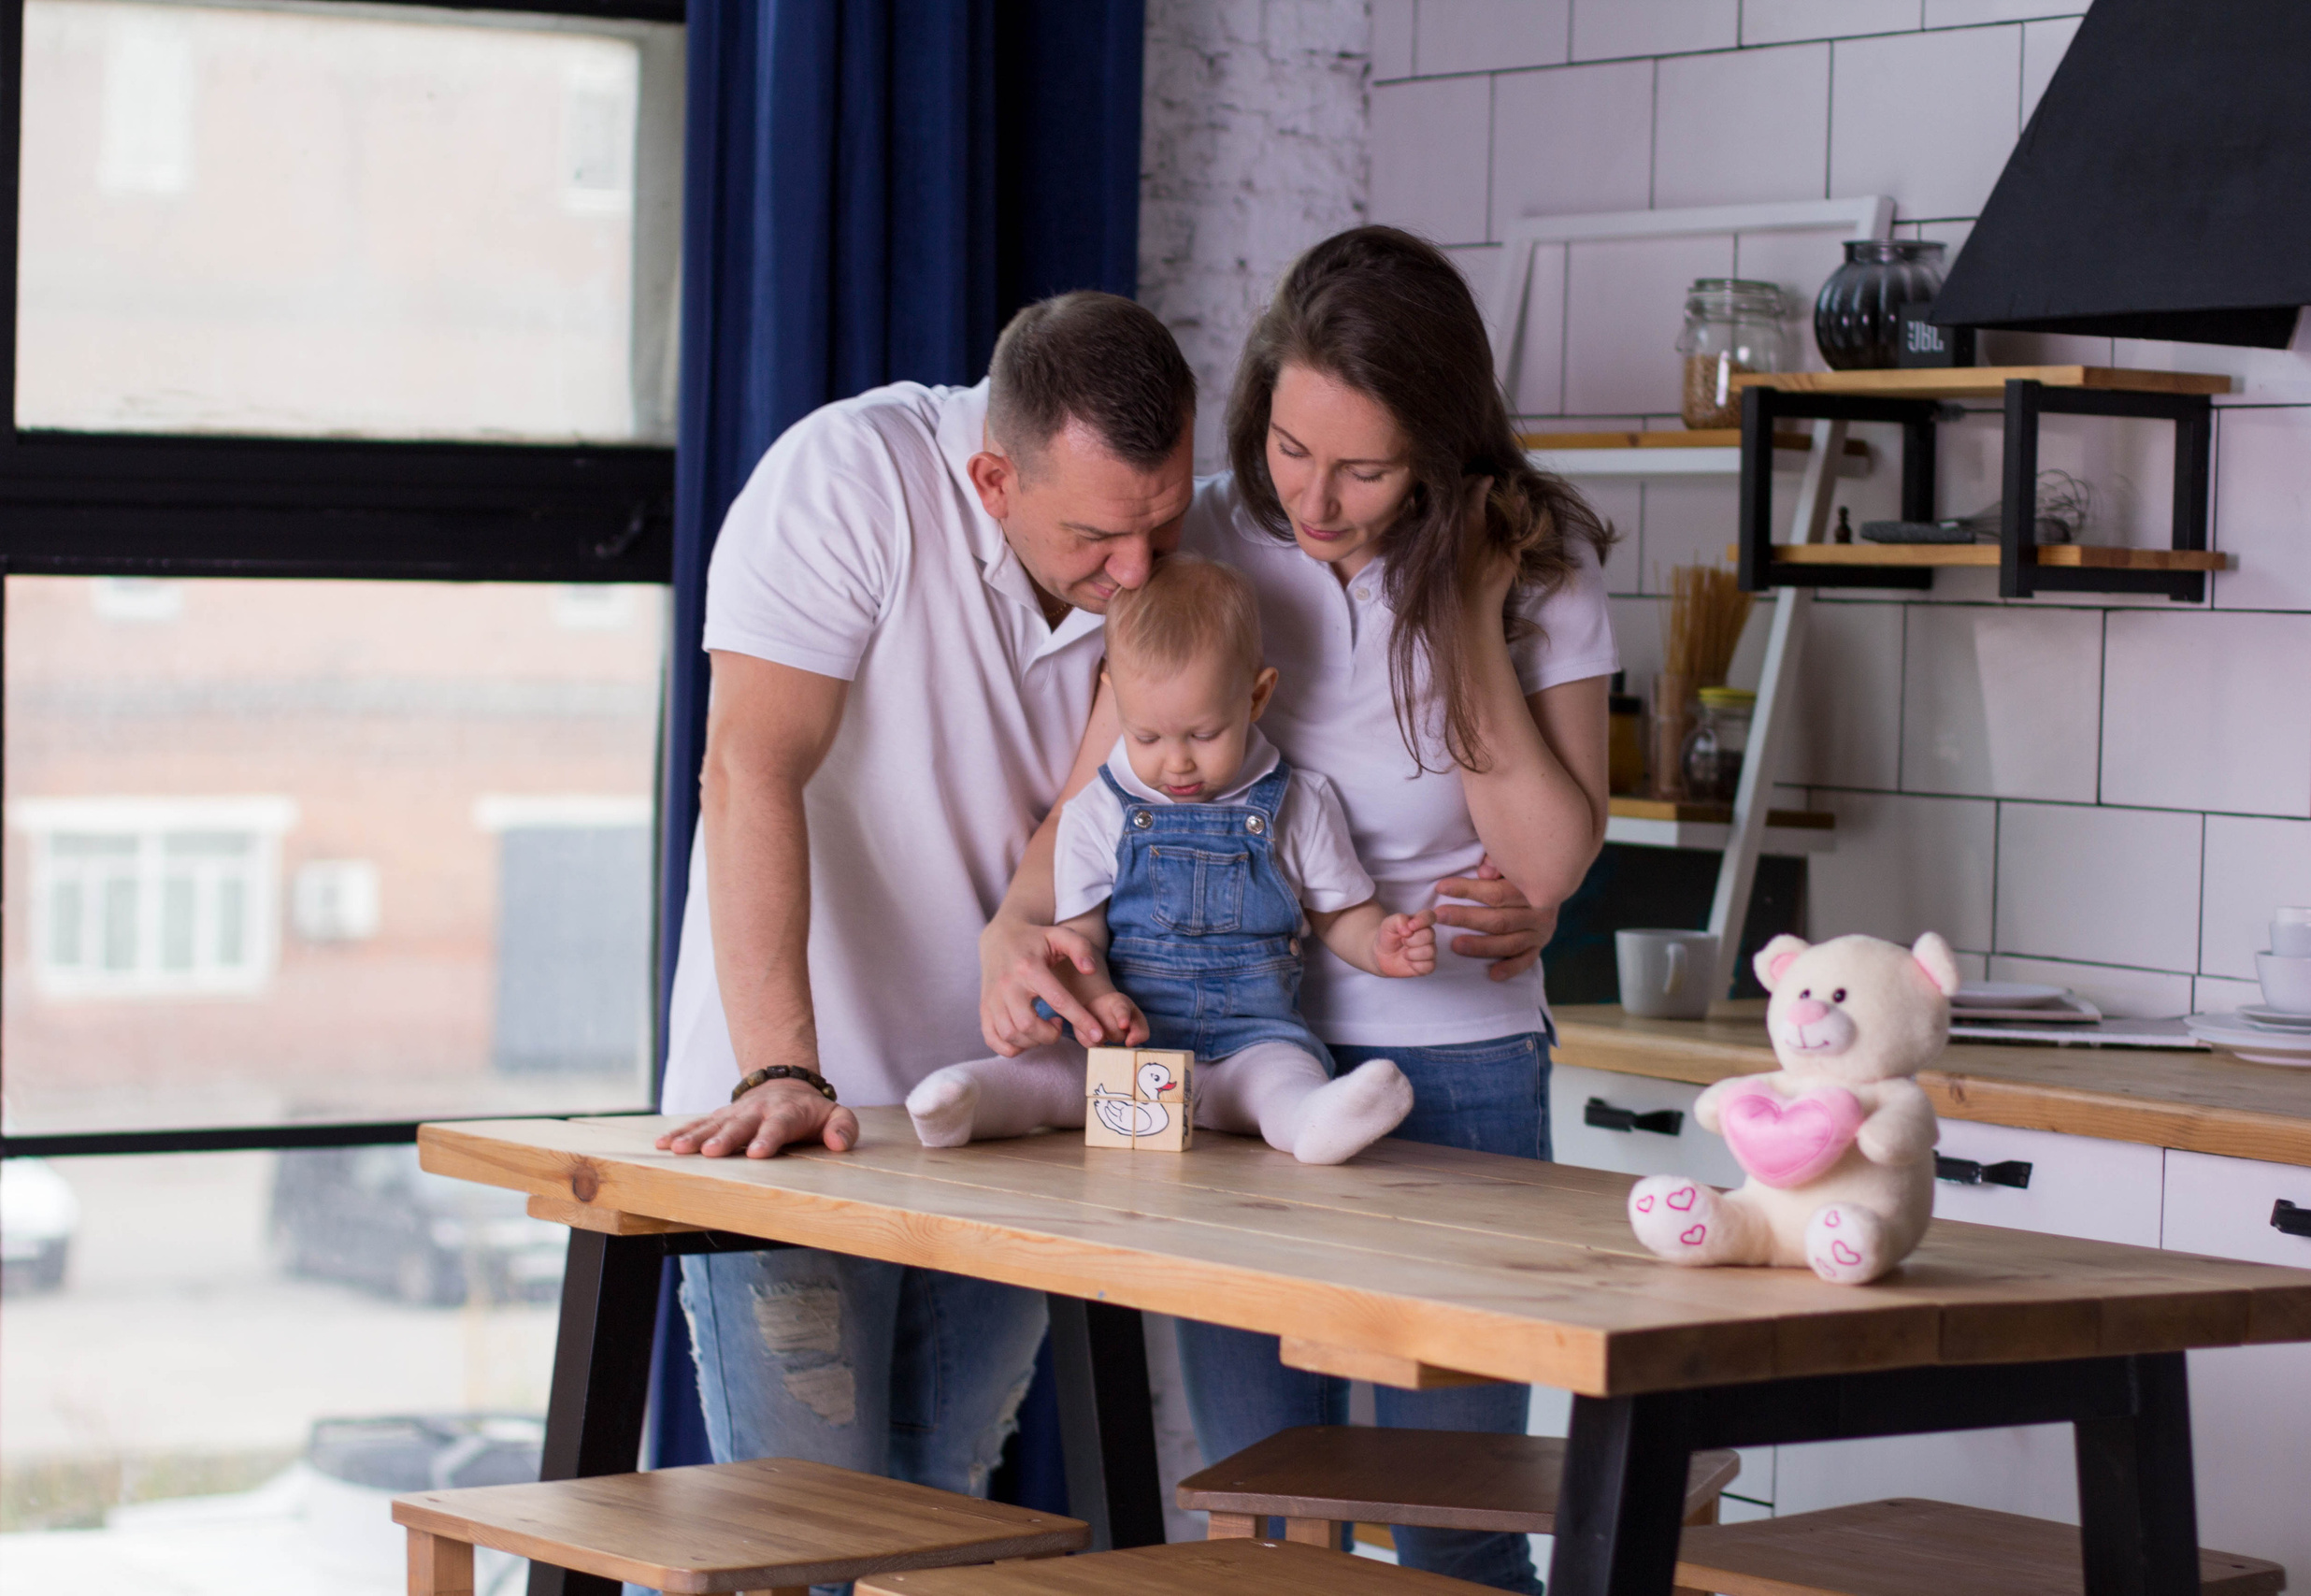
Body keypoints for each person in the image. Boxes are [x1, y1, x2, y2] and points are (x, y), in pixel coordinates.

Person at [982, 226, 1616, 1593]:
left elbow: (1552, 856)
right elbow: (1107, 780)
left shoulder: (1536, 564)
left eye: (1366, 467)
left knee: (1453, 1520)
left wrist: (1465, 610)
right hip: (1226, 1073)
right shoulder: (1204, 533)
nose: (1314, 500)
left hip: (1457, 1067)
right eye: (1289, 447)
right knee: (1264, 1512)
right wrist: (1021, 921)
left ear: (1441, 450)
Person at [650, 292, 1196, 1502]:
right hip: (797, 1110)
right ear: (994, 478)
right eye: (1101, 537)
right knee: (799, 1524)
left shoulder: (1143, 551)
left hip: (998, 1117)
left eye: (1164, 520)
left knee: (942, 1503)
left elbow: (1091, 807)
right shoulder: (848, 481)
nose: (1140, 568)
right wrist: (780, 1069)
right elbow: (748, 769)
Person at [903, 554, 1429, 1164]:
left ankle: (1312, 1121)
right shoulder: (1098, 810)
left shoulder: (1298, 803)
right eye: (1147, 736)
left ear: (1257, 697)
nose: (1176, 763)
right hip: (1126, 1054)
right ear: (1114, 696)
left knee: (1284, 1076)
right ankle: (966, 1101)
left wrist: (1379, 944)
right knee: (1052, 1073)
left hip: (1250, 1043)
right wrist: (1099, 997)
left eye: (1204, 735)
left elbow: (1341, 914)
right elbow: (1079, 936)